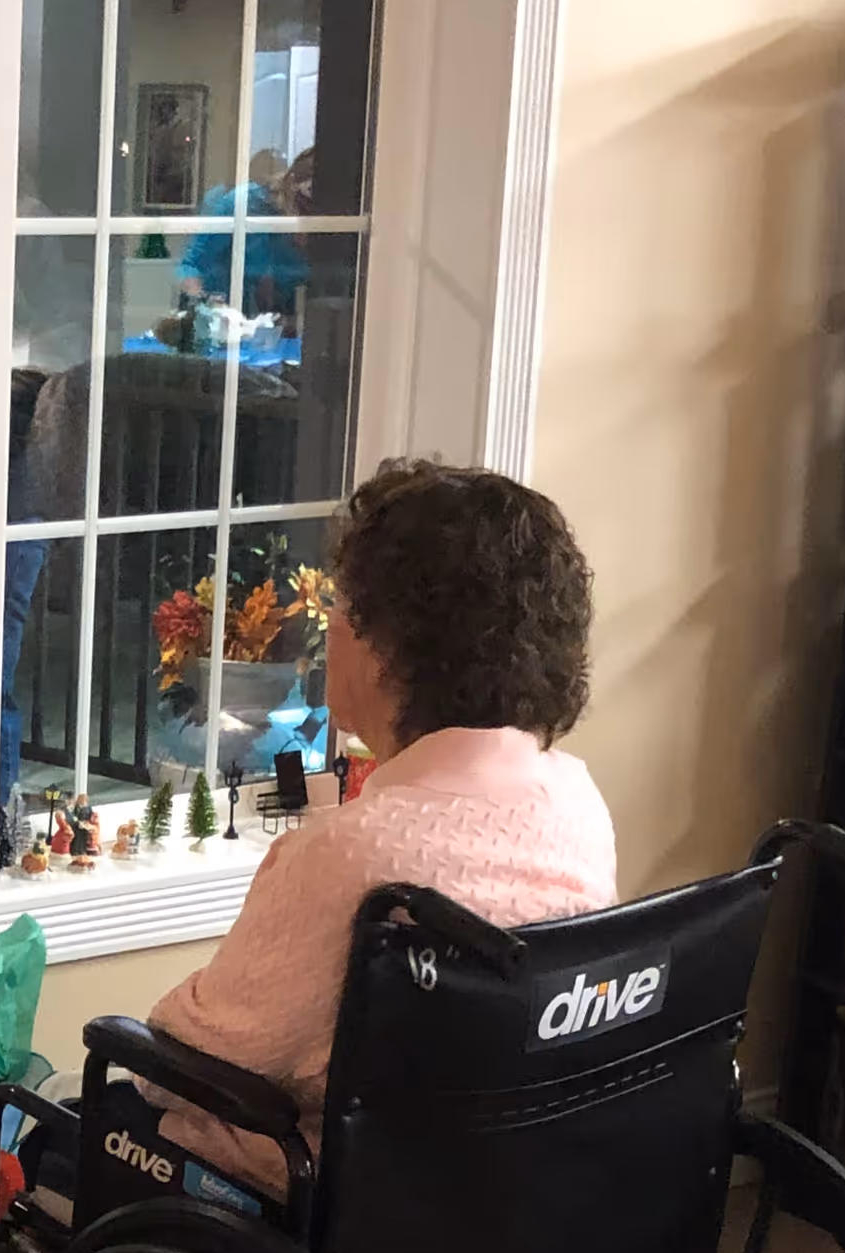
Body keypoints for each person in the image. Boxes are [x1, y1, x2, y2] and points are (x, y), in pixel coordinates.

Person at [138, 460, 619, 1194]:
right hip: (506, 1208)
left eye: (340, 606)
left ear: (384, 644)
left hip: (333, 1224)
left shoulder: (350, 857)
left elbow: (186, 1055)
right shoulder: (576, 805)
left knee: (86, 1111)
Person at [177, 147, 307, 319]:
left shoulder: (301, 219)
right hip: (223, 306)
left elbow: (297, 278)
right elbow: (192, 264)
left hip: (277, 313)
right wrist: (204, 308)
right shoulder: (240, 202)